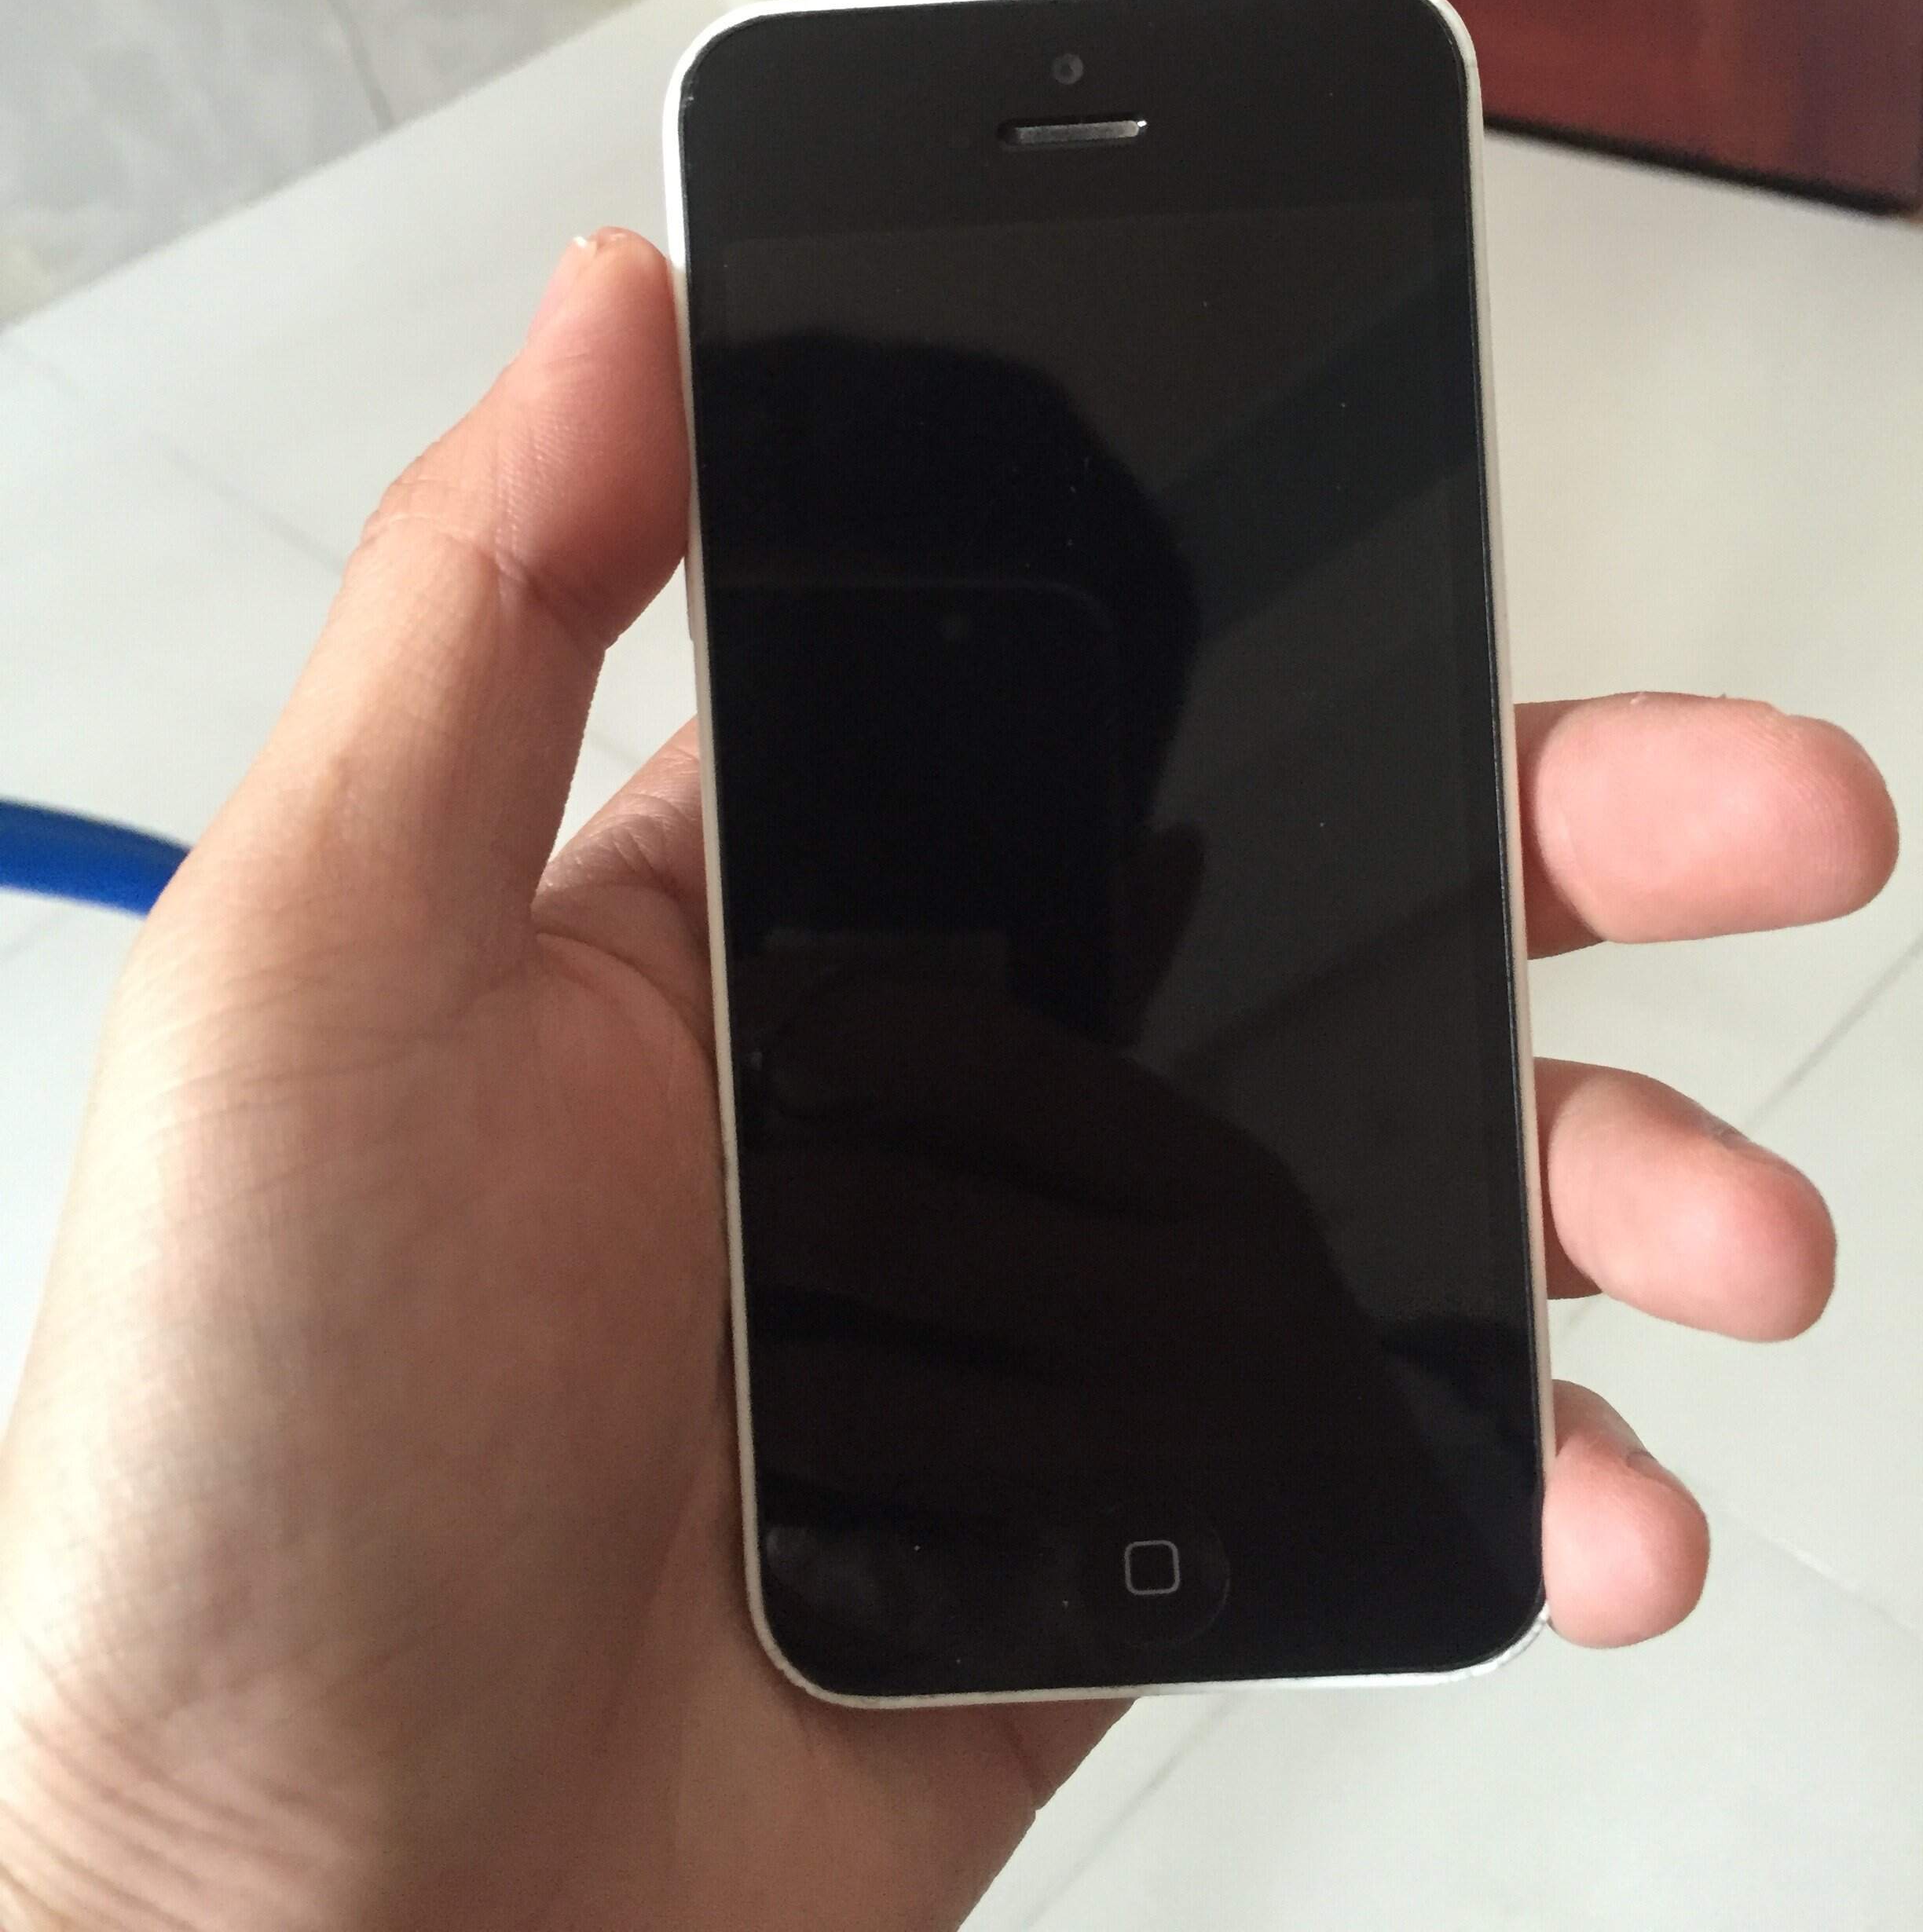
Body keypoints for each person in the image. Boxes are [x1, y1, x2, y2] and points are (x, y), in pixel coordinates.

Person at [0, 229, 1895, 1931]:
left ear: (1148, 914)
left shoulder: (1242, 1298)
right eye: (860, 792)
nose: (904, 883)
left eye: (981, 798)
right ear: (1147, 913)